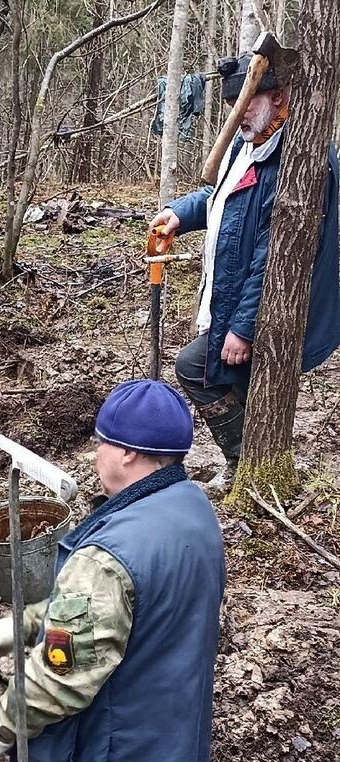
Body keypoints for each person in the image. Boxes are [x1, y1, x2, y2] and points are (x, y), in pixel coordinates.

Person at [0, 380, 225, 762]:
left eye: (101, 441)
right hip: (164, 756)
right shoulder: (191, 509)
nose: (95, 452)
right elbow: (132, 608)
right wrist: (24, 625)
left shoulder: (109, 556)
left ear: (127, 453)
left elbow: (60, 682)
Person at [151, 53, 340, 494]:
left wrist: (243, 327)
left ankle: (247, 465)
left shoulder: (297, 163)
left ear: (279, 98)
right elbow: (223, 198)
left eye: (247, 103)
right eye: (233, 106)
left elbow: (273, 257)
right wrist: (180, 213)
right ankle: (250, 465)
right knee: (229, 380)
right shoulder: (249, 143)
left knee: (195, 366)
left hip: (276, 311)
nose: (238, 115)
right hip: (241, 298)